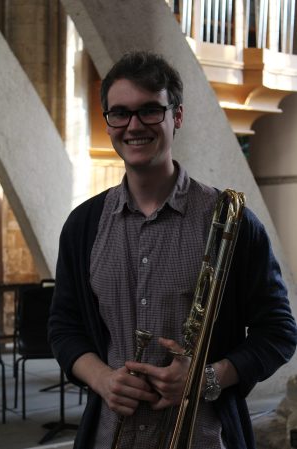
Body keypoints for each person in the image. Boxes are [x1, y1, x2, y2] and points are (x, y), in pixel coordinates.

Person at [48, 51, 297, 449]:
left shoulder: (232, 224)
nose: (134, 126)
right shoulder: (83, 225)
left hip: (204, 437)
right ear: (108, 122)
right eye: (120, 113)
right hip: (110, 437)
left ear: (176, 116)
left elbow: (279, 332)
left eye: (150, 111)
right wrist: (102, 379)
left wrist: (205, 377)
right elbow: (64, 327)